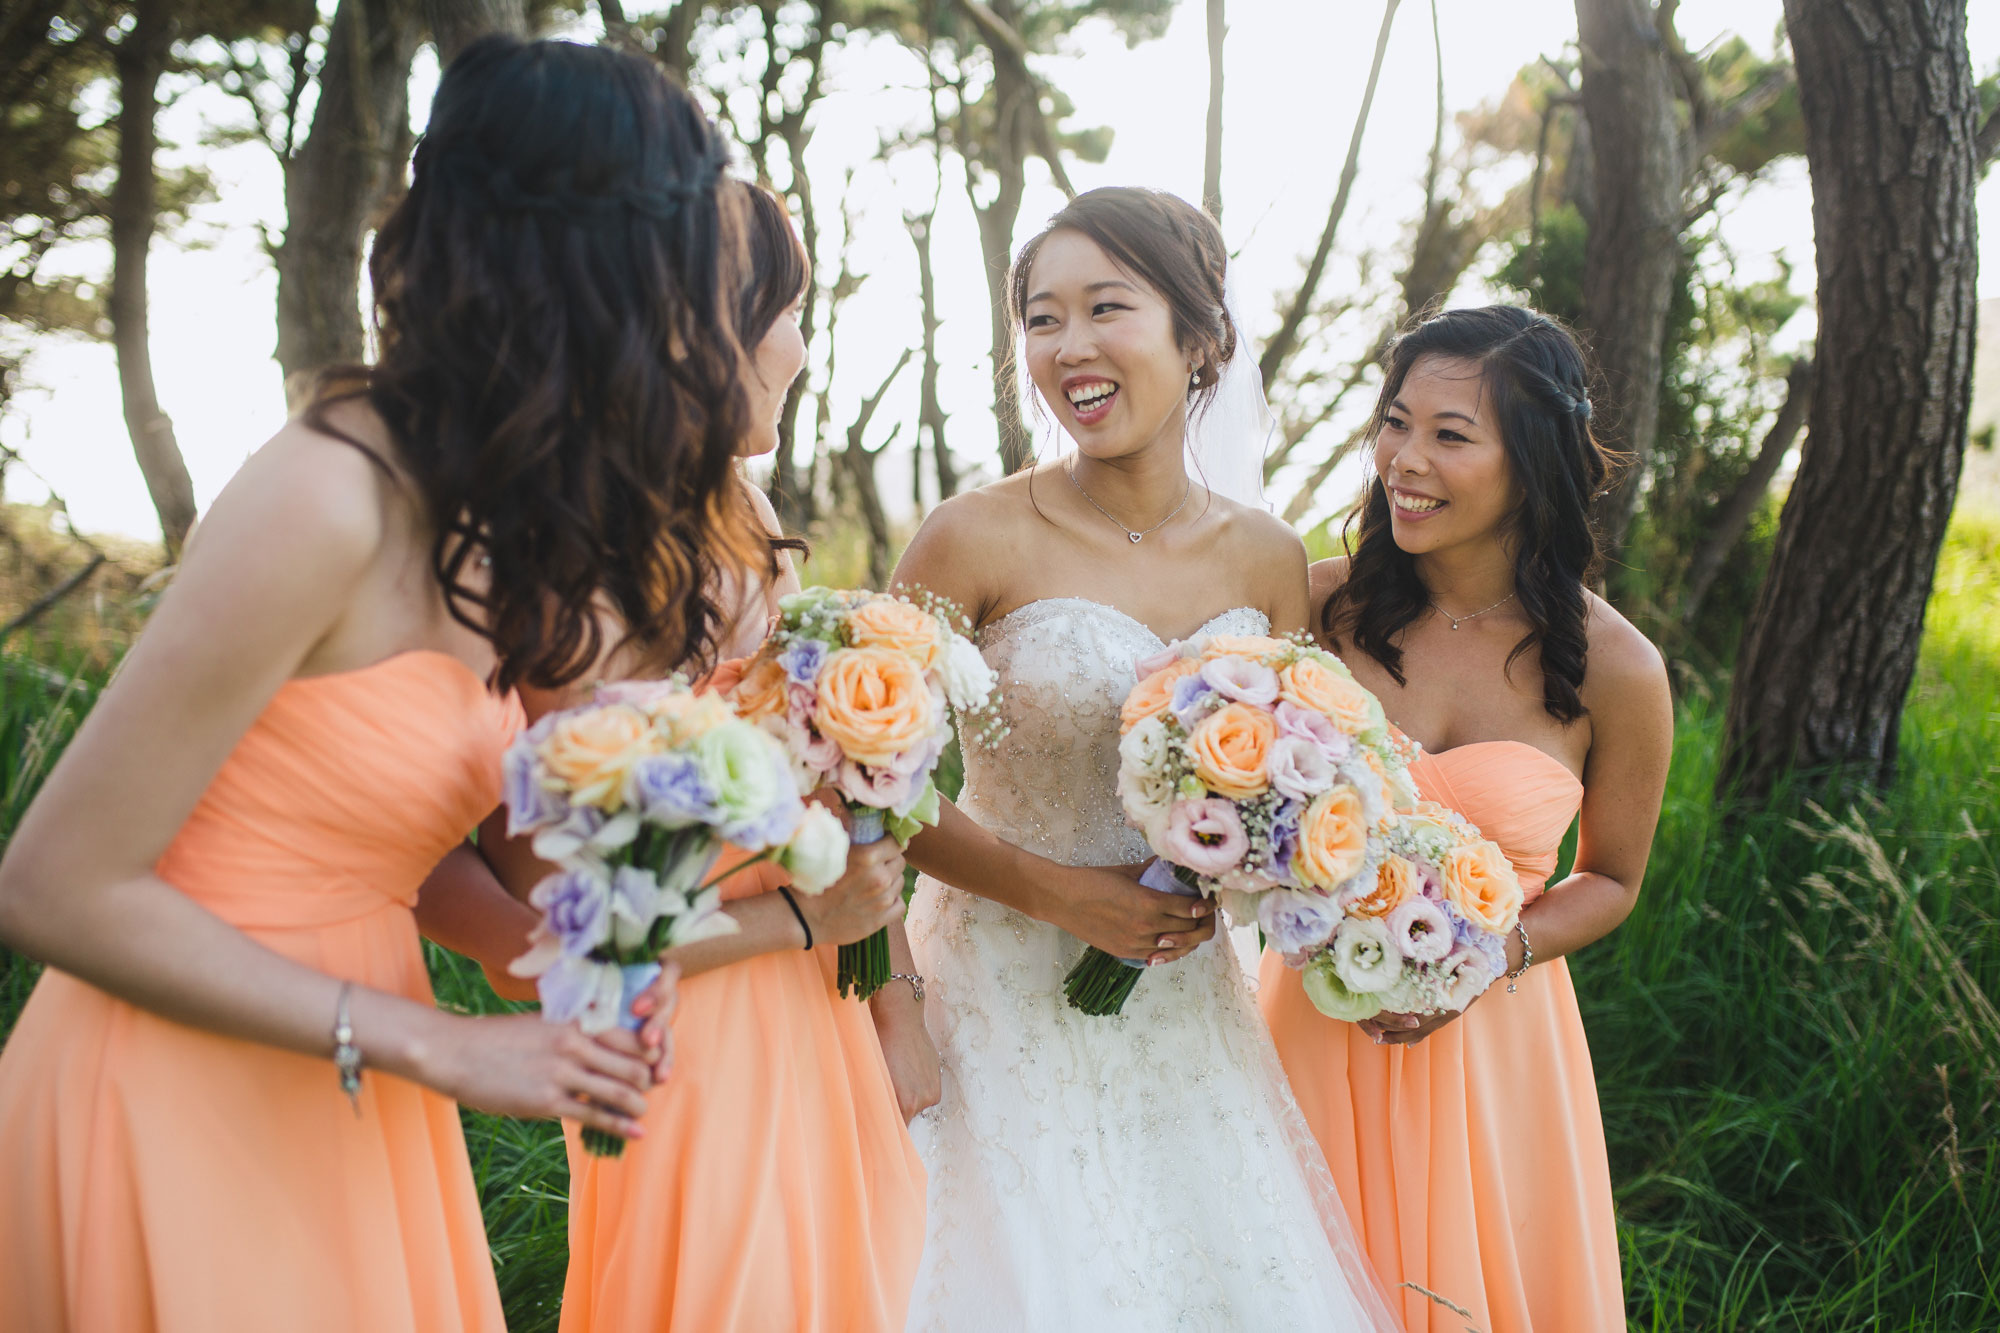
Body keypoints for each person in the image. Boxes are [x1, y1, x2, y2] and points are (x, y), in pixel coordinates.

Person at [0, 36, 765, 1332]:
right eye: (695, 261)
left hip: (361, 1096)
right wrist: (442, 1045)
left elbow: (476, 901)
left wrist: (652, 879)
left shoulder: (518, 524)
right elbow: (54, 885)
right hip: (181, 1075)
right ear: (612, 265)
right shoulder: (328, 486)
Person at [889, 186, 1399, 1331]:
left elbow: (1290, 777)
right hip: (992, 995)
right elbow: (869, 786)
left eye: (1104, 308)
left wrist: (1262, 866)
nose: (1068, 346)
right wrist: (1056, 892)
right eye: (1040, 317)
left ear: (1200, 336)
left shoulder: (1269, 557)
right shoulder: (970, 536)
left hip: (1182, 1009)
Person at [536, 183, 930, 1333]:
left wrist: (888, 989)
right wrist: (808, 924)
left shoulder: (741, 506)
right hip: (694, 1001)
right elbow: (582, 910)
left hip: (810, 995)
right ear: (700, 325)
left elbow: (841, 766)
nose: (800, 348)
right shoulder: (588, 534)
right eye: (786, 310)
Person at [1258, 305, 1674, 1331]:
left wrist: (1490, 953)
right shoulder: (1311, 608)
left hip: (1495, 1046)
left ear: (1528, 460)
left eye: (1449, 435)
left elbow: (1612, 880)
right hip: (1306, 1021)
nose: (1403, 458)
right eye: (1394, 422)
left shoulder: (1616, 669)